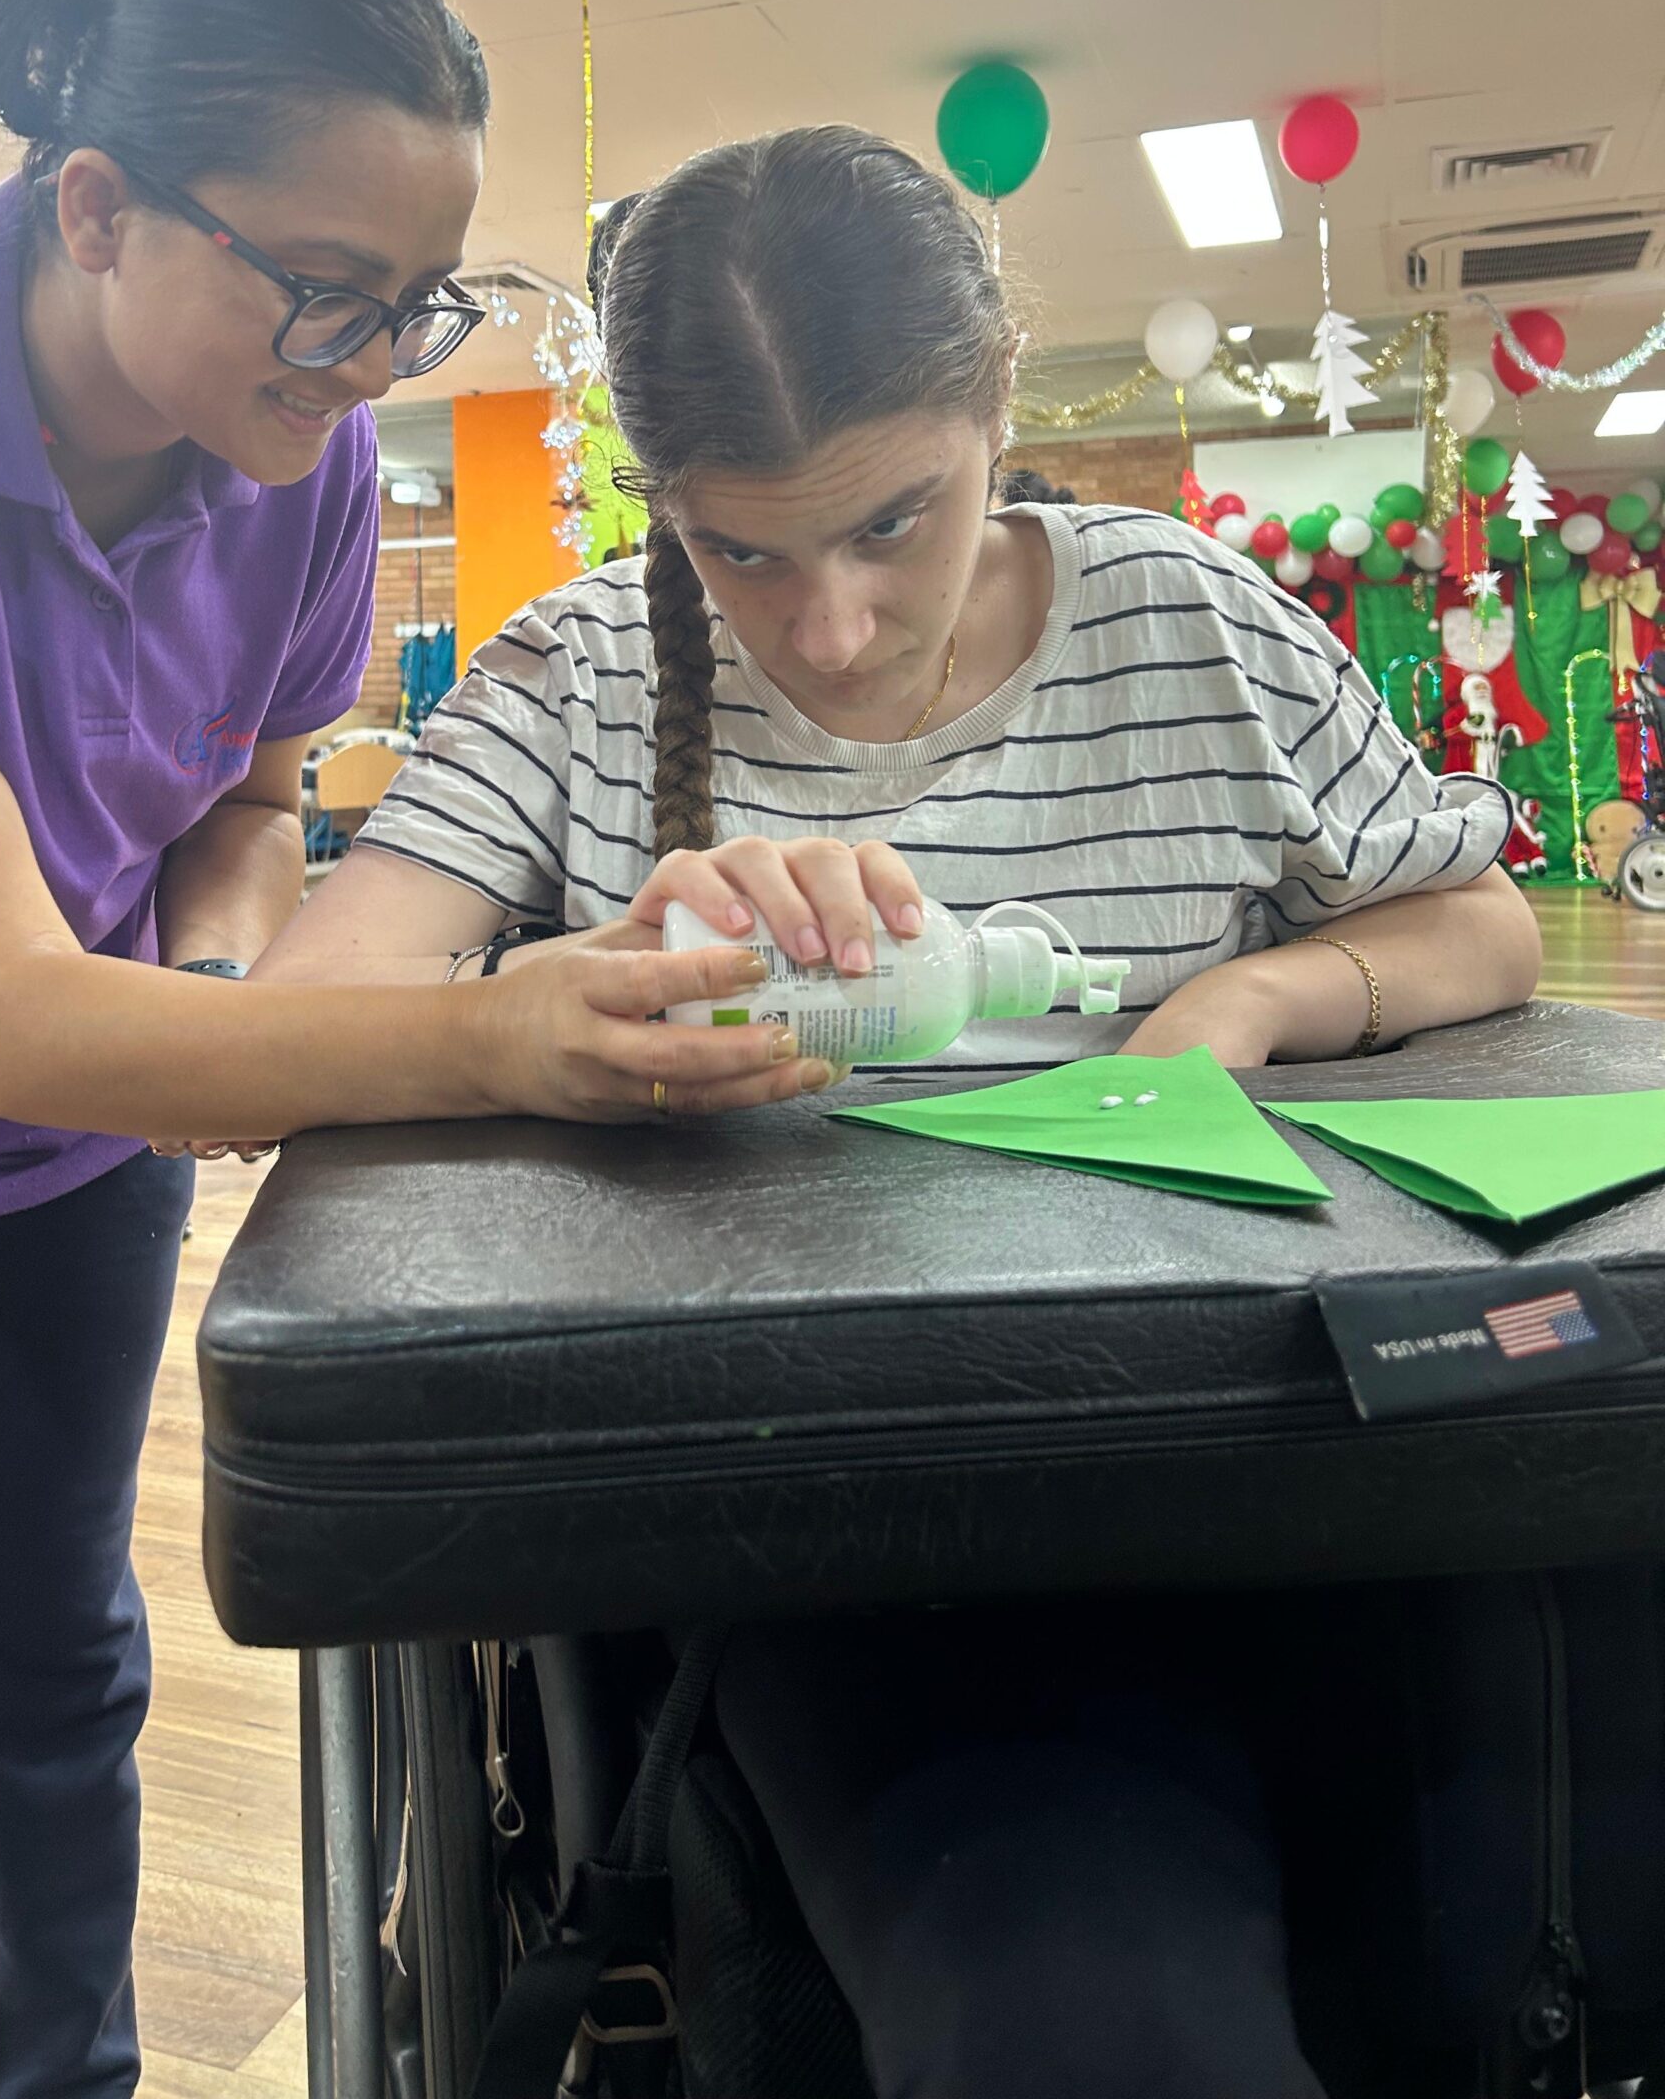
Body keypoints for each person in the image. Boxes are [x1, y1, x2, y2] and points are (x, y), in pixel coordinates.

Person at [256, 124, 1542, 2095]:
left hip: (1271, 1462)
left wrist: (1251, 996)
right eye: (739, 549)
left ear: (1002, 400)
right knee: (1094, 2004)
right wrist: (558, 996)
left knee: (1541, 1904)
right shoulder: (586, 670)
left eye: (893, 524)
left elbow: (1478, 919)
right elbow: (299, 1017)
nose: (832, 631)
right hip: (847, 1529)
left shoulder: (1188, 621)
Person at [0, 0, 810, 2099]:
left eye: (413, 309)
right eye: (323, 295)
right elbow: (12, 1012)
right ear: (102, 205)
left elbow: (238, 801)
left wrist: (225, 998)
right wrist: (494, 1020)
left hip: (75, 1150)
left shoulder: (297, 467)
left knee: (60, 1680)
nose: (361, 372)